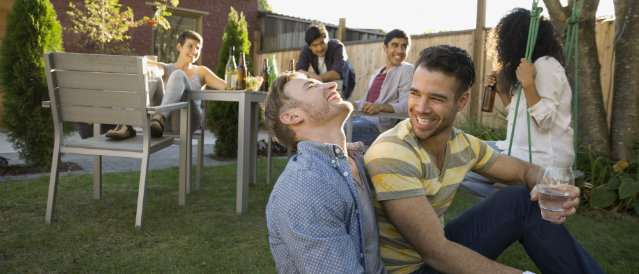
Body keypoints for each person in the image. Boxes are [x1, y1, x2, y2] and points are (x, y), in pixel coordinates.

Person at [364, 45, 604, 274]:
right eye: (415, 94)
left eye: (436, 98)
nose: (420, 108)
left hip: (435, 252)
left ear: (462, 101)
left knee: (521, 199)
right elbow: (435, 252)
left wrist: (548, 185)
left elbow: (523, 172)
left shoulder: (463, 145)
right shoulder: (392, 152)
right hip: (410, 268)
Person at [264, 71, 386, 273]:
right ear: (293, 116)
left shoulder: (353, 160)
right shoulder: (304, 187)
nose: (331, 85)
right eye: (311, 86)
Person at [460, 8, 575, 199]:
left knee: (461, 162)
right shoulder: (531, 66)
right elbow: (519, 117)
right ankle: (510, 202)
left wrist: (528, 84)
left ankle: (510, 202)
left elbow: (544, 122)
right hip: (519, 149)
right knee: (461, 153)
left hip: (543, 159)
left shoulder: (546, 64)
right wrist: (501, 91)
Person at [105, 30, 225, 139]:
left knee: (178, 74)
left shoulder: (201, 71)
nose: (195, 51)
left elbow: (226, 86)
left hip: (187, 121)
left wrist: (241, 77)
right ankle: (127, 124)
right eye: (190, 46)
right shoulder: (166, 68)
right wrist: (153, 71)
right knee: (154, 77)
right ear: (179, 47)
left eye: (198, 48)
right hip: (160, 125)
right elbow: (158, 71)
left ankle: (158, 118)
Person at [347, 29, 413, 146]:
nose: (400, 50)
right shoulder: (378, 72)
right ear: (385, 48)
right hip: (360, 118)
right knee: (330, 124)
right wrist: (352, 105)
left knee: (340, 130)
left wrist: (380, 107)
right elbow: (367, 102)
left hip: (379, 127)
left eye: (404, 46)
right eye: (395, 45)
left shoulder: (407, 70)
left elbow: (406, 106)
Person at [295, 24, 356, 99]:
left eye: (322, 43)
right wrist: (309, 74)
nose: (320, 48)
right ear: (309, 46)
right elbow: (299, 70)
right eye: (315, 45)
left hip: (343, 83)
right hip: (322, 83)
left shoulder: (337, 46)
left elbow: (335, 74)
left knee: (339, 106)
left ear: (327, 39)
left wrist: (315, 78)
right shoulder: (306, 49)